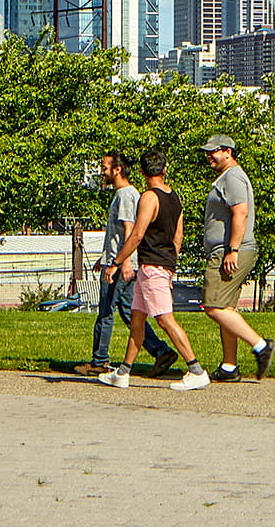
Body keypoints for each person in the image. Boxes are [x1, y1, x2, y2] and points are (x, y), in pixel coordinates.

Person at [104, 155, 201, 390]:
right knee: (137, 319)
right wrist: (170, 259)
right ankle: (123, 373)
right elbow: (179, 234)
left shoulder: (149, 197)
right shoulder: (174, 197)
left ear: (142, 172)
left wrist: (117, 261)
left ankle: (196, 369)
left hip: (152, 267)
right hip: (160, 264)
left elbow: (137, 234)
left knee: (165, 319)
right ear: (164, 169)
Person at [197, 135, 275, 381]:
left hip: (228, 251)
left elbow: (240, 214)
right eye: (207, 152)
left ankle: (262, 346)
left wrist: (232, 249)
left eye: (214, 151)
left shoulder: (233, 177)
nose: (209, 156)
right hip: (225, 249)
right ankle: (229, 367)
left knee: (212, 306)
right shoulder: (227, 177)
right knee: (226, 308)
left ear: (228, 152)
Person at [72, 154, 141, 377]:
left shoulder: (126, 196)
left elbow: (130, 231)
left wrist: (122, 261)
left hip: (120, 264)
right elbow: (117, 235)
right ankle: (161, 352)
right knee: (130, 313)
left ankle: (99, 360)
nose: (102, 171)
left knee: (105, 312)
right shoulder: (123, 195)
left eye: (104, 167)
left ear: (117, 169)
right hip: (116, 261)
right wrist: (103, 258)